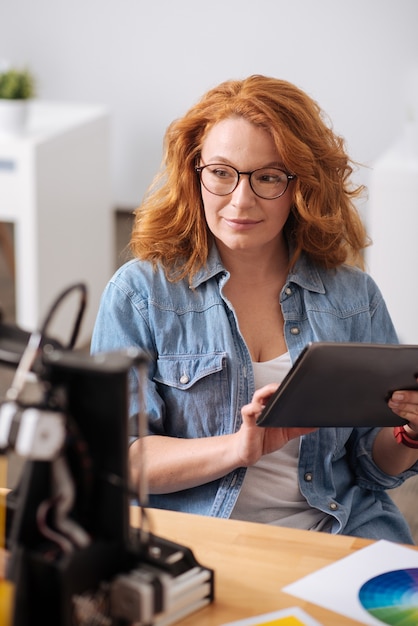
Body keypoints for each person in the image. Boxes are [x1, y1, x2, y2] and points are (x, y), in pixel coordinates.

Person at [91, 75, 418, 544]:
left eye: (268, 177)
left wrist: (409, 433)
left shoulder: (354, 298)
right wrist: (237, 449)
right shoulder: (141, 294)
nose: (240, 200)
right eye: (222, 173)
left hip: (339, 530)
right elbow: (118, 458)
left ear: (301, 186)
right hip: (200, 538)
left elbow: (373, 467)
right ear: (195, 171)